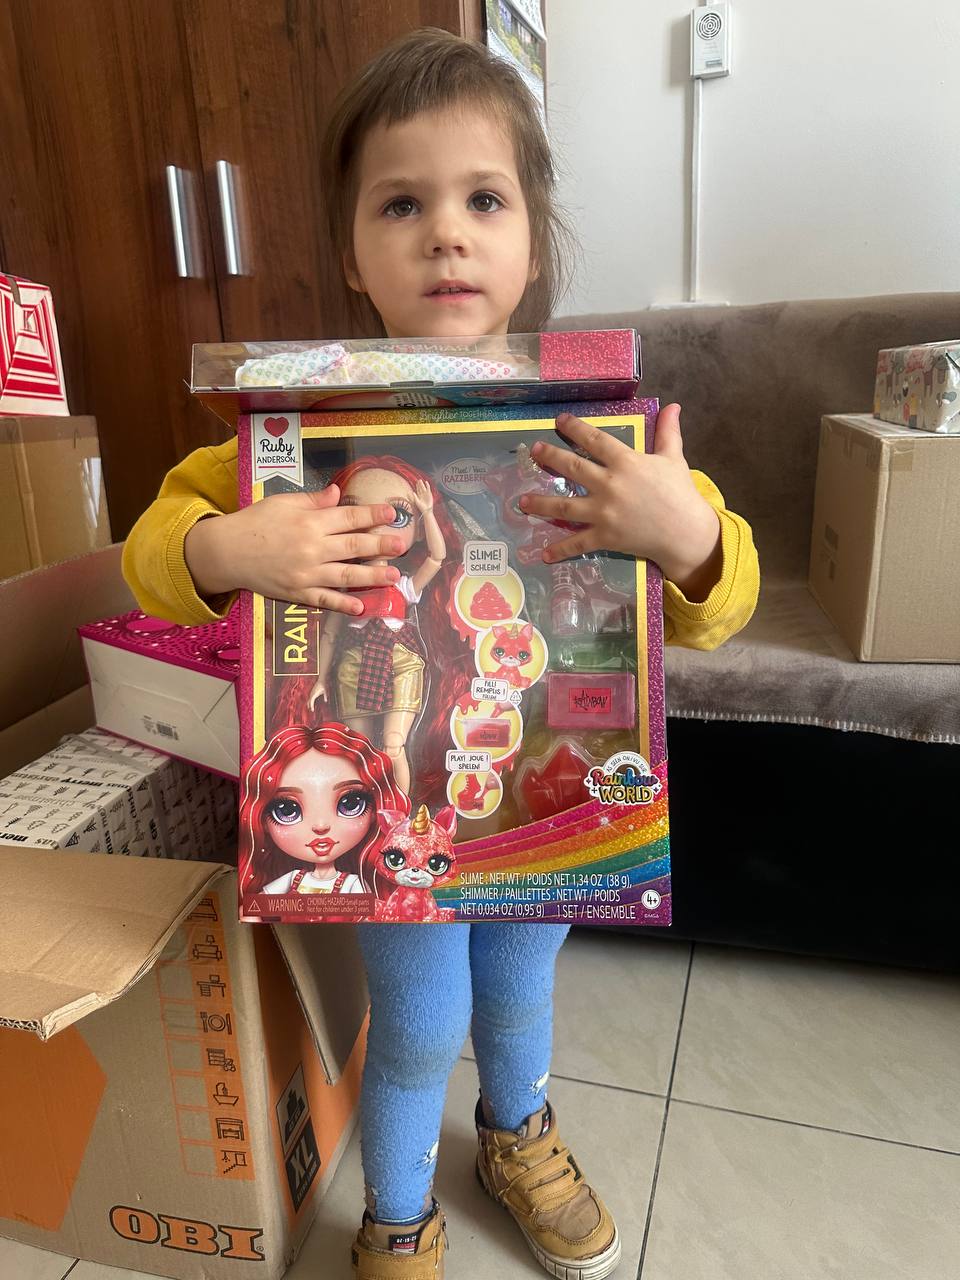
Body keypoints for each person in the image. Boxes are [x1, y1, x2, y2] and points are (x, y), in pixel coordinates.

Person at [123, 27, 760, 1280]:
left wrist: (687, 536)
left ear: (535, 239)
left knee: (520, 988)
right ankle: (399, 1209)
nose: (446, 236)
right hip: (392, 812)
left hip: (544, 806)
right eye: (401, 204)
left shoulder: (595, 429)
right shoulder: (293, 430)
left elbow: (713, 604)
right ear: (352, 254)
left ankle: (516, 1133)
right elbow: (152, 547)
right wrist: (224, 546)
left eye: (484, 200)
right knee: (418, 1017)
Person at [238, 722, 409, 898]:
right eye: (288, 810)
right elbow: (257, 905)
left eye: (350, 803)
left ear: (375, 811)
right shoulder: (294, 878)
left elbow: (367, 910)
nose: (321, 826)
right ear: (261, 819)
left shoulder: (351, 883)